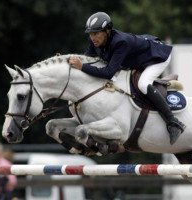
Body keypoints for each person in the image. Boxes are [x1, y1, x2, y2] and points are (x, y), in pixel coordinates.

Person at [69, 12, 185, 145]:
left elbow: (108, 73)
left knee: (143, 84)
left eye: (96, 33)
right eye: (90, 33)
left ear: (107, 31)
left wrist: (81, 67)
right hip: (139, 58)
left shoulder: (120, 42)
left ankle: (174, 122)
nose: (92, 37)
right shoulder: (94, 42)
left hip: (157, 57)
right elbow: (88, 61)